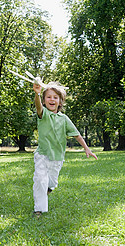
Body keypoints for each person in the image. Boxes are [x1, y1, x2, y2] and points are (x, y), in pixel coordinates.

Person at [33, 82, 97, 218]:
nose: (52, 100)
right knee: (40, 180)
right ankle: (39, 210)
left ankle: (47, 190)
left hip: (57, 157)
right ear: (44, 100)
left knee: (51, 183)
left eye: (55, 97)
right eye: (48, 97)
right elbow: (37, 106)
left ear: (60, 101)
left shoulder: (64, 118)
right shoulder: (43, 114)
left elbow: (77, 135)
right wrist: (37, 93)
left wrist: (87, 148)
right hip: (42, 154)